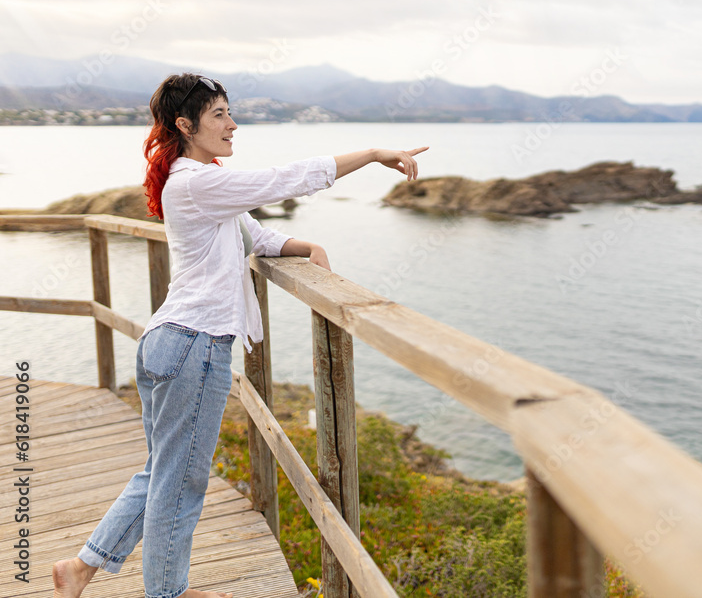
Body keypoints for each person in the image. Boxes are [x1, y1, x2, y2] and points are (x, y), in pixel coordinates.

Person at [51, 73, 427, 598]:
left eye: (230, 112)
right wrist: (369, 153)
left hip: (170, 342)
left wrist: (304, 247)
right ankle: (167, 593)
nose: (232, 124)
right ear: (186, 125)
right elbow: (283, 180)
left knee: (162, 472)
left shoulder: (198, 181)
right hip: (192, 346)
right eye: (220, 115)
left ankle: (80, 569)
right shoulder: (196, 182)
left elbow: (257, 234)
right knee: (180, 485)